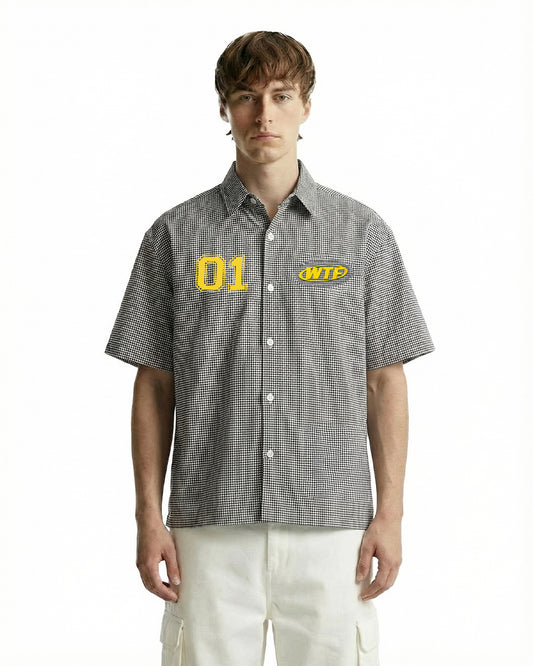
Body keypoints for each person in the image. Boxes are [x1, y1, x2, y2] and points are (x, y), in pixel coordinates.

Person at [104, 30, 435, 666]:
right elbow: (154, 384)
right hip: (209, 526)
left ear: (306, 105)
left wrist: (390, 515)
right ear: (223, 108)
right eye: (246, 96)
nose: (264, 114)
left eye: (282, 95)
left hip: (333, 526)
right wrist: (149, 517)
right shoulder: (175, 235)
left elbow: (384, 380)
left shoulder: (361, 233)